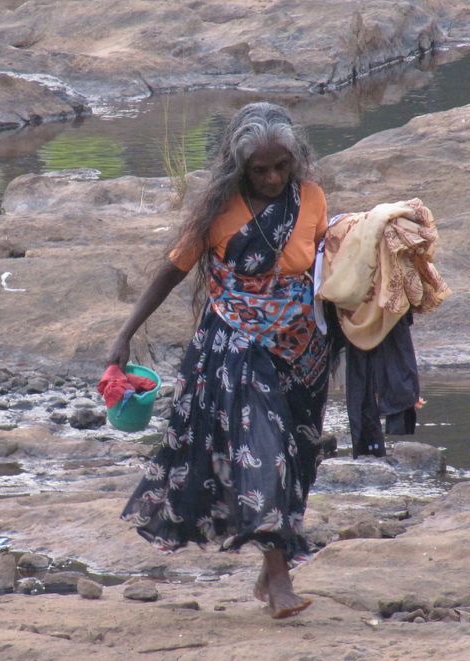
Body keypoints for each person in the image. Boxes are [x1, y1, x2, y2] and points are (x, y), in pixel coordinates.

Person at [106, 102, 330, 619]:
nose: (273, 178)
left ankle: (270, 566)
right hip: (233, 347)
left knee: (297, 458)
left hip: (302, 353)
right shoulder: (217, 210)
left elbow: (327, 270)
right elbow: (171, 271)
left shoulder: (312, 199)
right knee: (264, 451)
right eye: (260, 169)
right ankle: (279, 580)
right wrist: (125, 333)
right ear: (239, 165)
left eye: (281, 167)